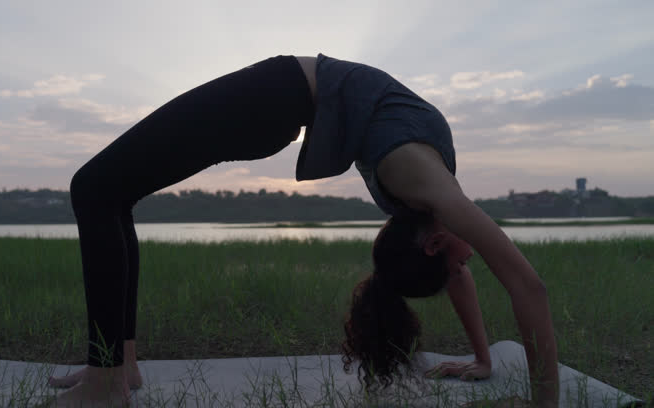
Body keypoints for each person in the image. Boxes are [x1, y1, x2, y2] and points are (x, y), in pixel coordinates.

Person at [49, 54, 559, 407]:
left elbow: (525, 285)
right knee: (109, 194)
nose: (467, 266)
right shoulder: (432, 201)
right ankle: (121, 366)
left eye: (458, 264)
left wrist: (535, 398)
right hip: (280, 104)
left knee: (93, 188)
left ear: (433, 243)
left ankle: (108, 378)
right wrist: (485, 360)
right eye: (460, 266)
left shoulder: (426, 190)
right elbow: (469, 273)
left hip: (277, 94)